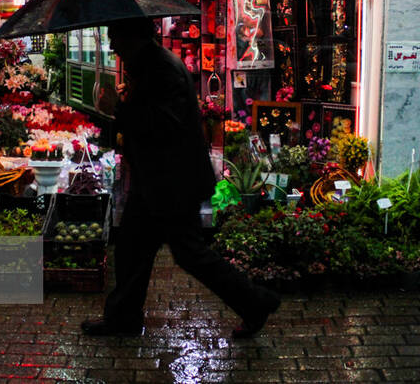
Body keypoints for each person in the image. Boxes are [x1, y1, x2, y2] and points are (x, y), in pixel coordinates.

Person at [81, 17, 280, 338]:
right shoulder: (151, 66)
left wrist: (119, 108)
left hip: (171, 182)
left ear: (132, 36)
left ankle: (256, 302)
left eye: (114, 36)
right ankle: (124, 318)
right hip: (158, 180)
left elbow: (161, 125)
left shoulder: (161, 69)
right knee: (132, 248)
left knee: (189, 254)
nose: (112, 45)